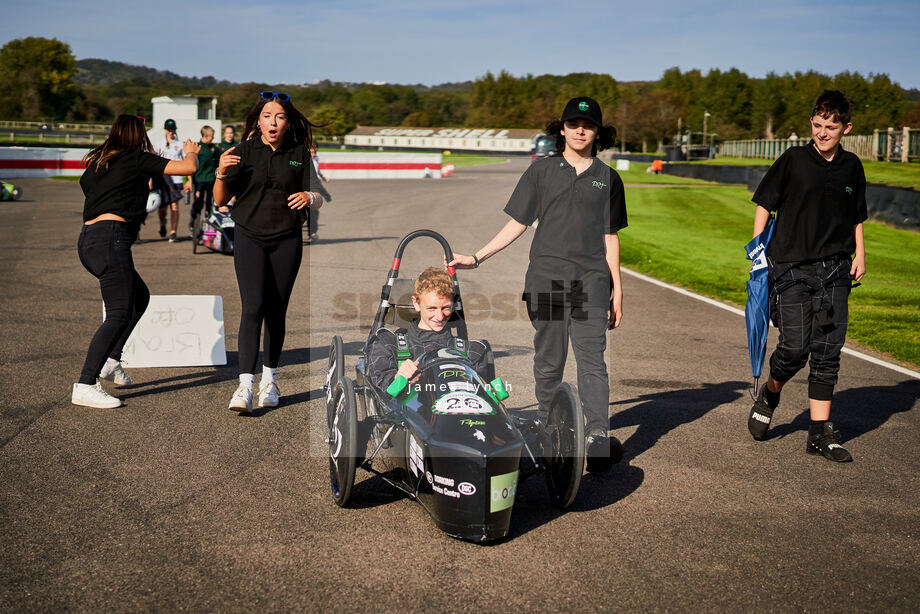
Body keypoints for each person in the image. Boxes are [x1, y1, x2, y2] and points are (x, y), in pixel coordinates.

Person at [450, 96, 627, 472]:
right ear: (561, 129)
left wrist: (618, 290)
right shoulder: (541, 171)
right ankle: (550, 426)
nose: (581, 130)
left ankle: (597, 435)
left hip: (592, 282)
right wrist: (478, 257)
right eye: (573, 124)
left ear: (598, 132)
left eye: (589, 125)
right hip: (547, 279)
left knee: (592, 361)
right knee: (550, 361)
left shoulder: (608, 178)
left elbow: (611, 236)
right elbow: (517, 222)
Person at [747, 89, 866, 462]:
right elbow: (765, 203)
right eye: (817, 125)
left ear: (846, 127)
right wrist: (756, 251)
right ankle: (771, 392)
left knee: (828, 351)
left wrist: (860, 252)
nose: (822, 132)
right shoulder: (793, 160)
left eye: (831, 127)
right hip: (792, 266)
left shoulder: (852, 167)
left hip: (836, 268)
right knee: (795, 348)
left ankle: (818, 433)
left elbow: (856, 216)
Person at [72, 114, 199, 408]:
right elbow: (188, 167)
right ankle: (85, 383)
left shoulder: (98, 162)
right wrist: (192, 150)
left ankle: (111, 360)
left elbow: (90, 186)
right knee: (118, 312)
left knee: (139, 297)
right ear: (137, 134)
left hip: (88, 239)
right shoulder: (137, 158)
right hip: (110, 239)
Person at [213, 91, 324, 412]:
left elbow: (318, 195)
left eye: (279, 117)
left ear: (288, 122)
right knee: (253, 307)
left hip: (287, 239)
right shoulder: (244, 151)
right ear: (257, 121)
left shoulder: (298, 153)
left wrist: (309, 197)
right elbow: (221, 200)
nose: (273, 122)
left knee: (276, 311)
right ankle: (244, 386)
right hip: (249, 236)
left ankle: (270, 381)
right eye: (266, 116)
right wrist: (220, 170)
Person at [365, 267, 489, 393]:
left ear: (453, 305)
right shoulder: (387, 344)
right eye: (432, 308)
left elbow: (486, 396)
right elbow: (383, 392)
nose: (440, 316)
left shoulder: (473, 352)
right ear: (416, 303)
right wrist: (398, 378)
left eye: (446, 308)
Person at [153, 118, 187, 242]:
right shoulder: (159, 143)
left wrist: (188, 180)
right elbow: (154, 161)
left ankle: (173, 232)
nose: (171, 132)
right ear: (165, 130)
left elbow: (186, 161)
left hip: (176, 178)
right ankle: (163, 224)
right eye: (169, 129)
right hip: (162, 179)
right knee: (162, 207)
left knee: (174, 206)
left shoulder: (180, 144)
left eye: (173, 130)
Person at [186, 125, 220, 233]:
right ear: (205, 135)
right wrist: (190, 181)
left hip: (211, 179)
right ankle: (193, 219)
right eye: (211, 136)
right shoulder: (197, 147)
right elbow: (190, 164)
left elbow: (219, 163)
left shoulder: (214, 149)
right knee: (198, 202)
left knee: (210, 202)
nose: (212, 139)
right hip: (200, 180)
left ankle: (208, 222)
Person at [306, 143, 332, 243]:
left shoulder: (315, 160)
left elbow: (317, 172)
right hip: (307, 189)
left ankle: (312, 234)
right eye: (311, 152)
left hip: (314, 190)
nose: (313, 154)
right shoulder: (304, 161)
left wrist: (323, 177)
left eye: (314, 152)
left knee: (314, 213)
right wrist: (326, 195)